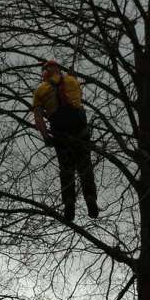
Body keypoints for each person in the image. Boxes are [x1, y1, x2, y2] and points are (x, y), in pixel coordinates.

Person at [33, 60, 99, 221]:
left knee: (66, 169)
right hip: (80, 130)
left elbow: (38, 117)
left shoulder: (41, 90)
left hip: (61, 133)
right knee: (85, 167)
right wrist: (73, 76)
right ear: (58, 70)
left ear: (45, 73)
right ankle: (90, 197)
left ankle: (69, 202)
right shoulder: (71, 81)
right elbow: (77, 97)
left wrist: (45, 136)